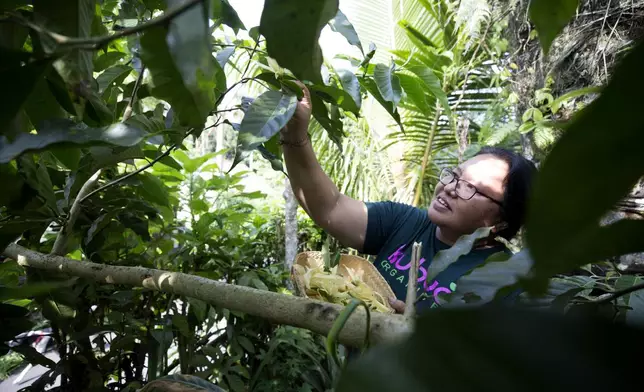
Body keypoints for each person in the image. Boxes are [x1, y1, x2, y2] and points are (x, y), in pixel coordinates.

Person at [280, 83, 537, 313]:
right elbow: (331, 208)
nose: (449, 188)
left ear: (502, 220)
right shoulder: (406, 222)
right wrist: (295, 135)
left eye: (471, 188)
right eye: (454, 176)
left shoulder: (506, 280)